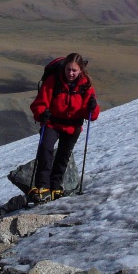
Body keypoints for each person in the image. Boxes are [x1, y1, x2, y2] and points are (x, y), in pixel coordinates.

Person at [29, 52, 100, 202]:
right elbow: (39, 103)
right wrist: (42, 114)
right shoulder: (53, 80)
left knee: (62, 157)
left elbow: (91, 115)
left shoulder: (85, 85)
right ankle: (42, 187)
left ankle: (55, 187)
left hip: (73, 126)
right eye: (68, 69)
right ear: (64, 68)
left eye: (74, 70)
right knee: (45, 149)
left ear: (81, 70)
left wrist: (92, 108)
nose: (71, 73)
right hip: (52, 123)